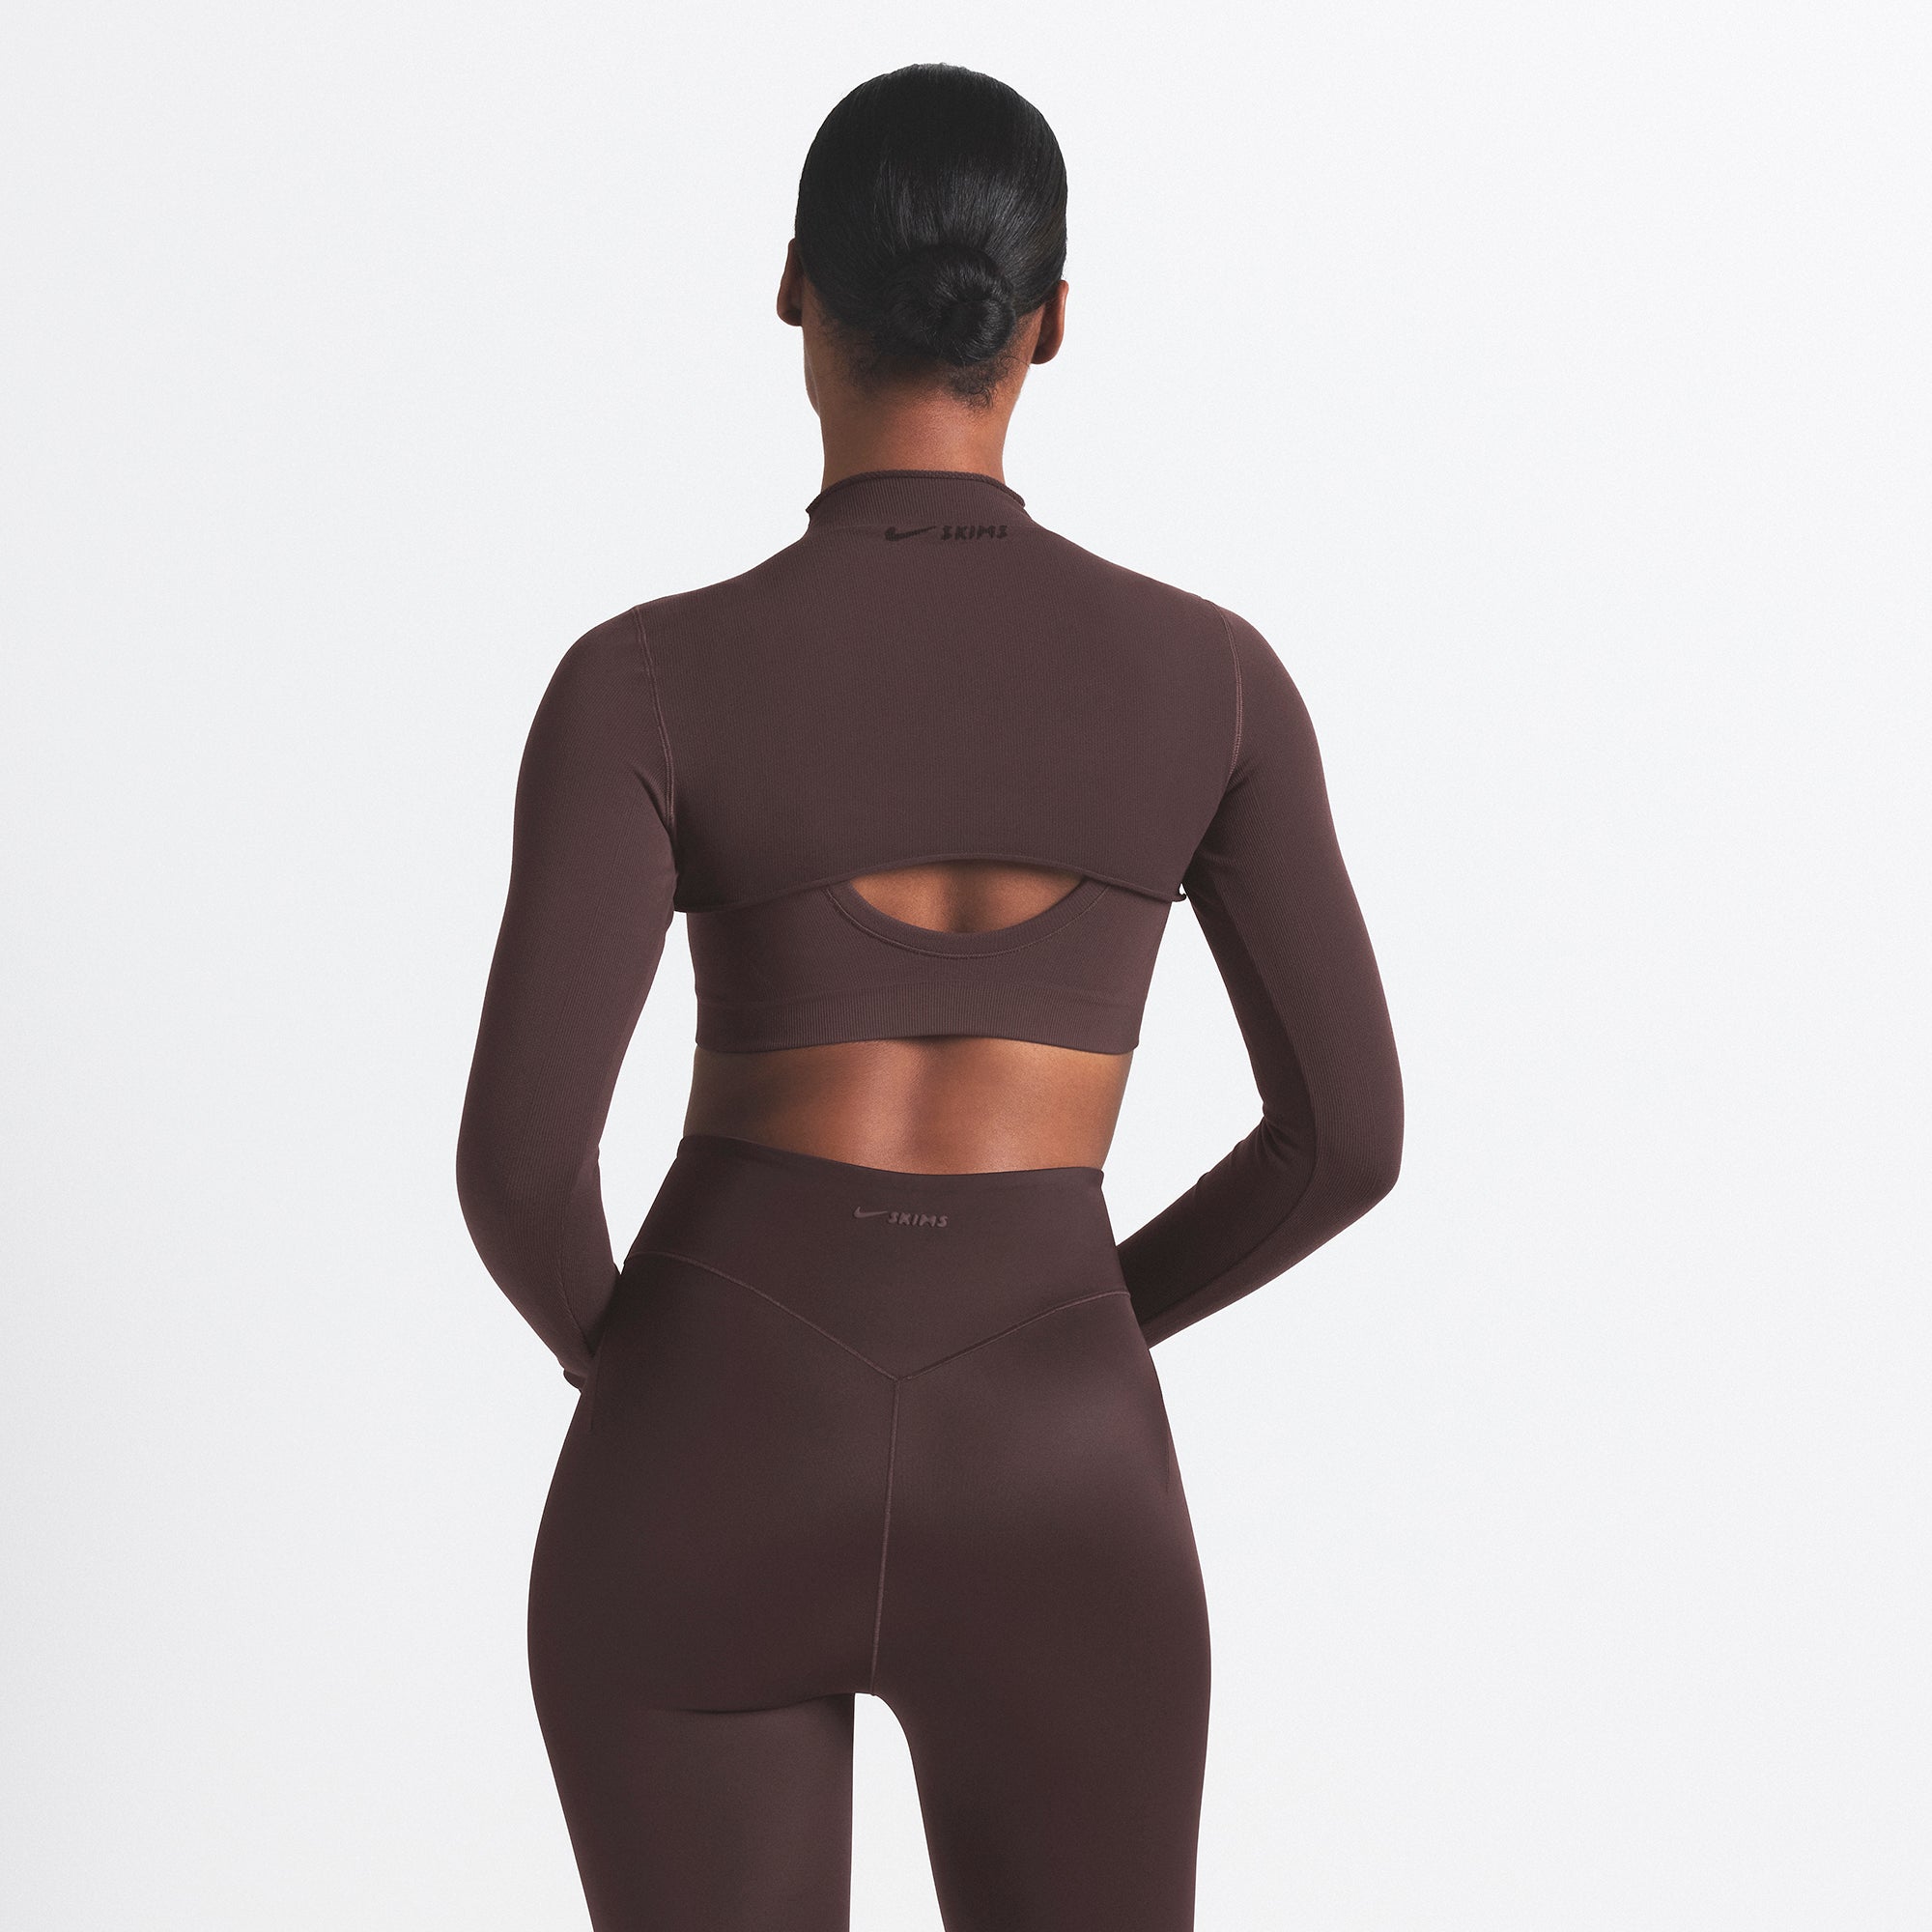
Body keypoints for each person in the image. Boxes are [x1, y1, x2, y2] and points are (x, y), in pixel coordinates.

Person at [456, 61, 1402, 1932]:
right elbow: (1344, 1140)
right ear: (1050, 318)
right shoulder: (1213, 680)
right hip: (1058, 1459)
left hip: (709, 1443)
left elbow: (518, 1170)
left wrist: (656, 1371)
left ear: (793, 286)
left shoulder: (643, 680)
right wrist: (1072, 1320)